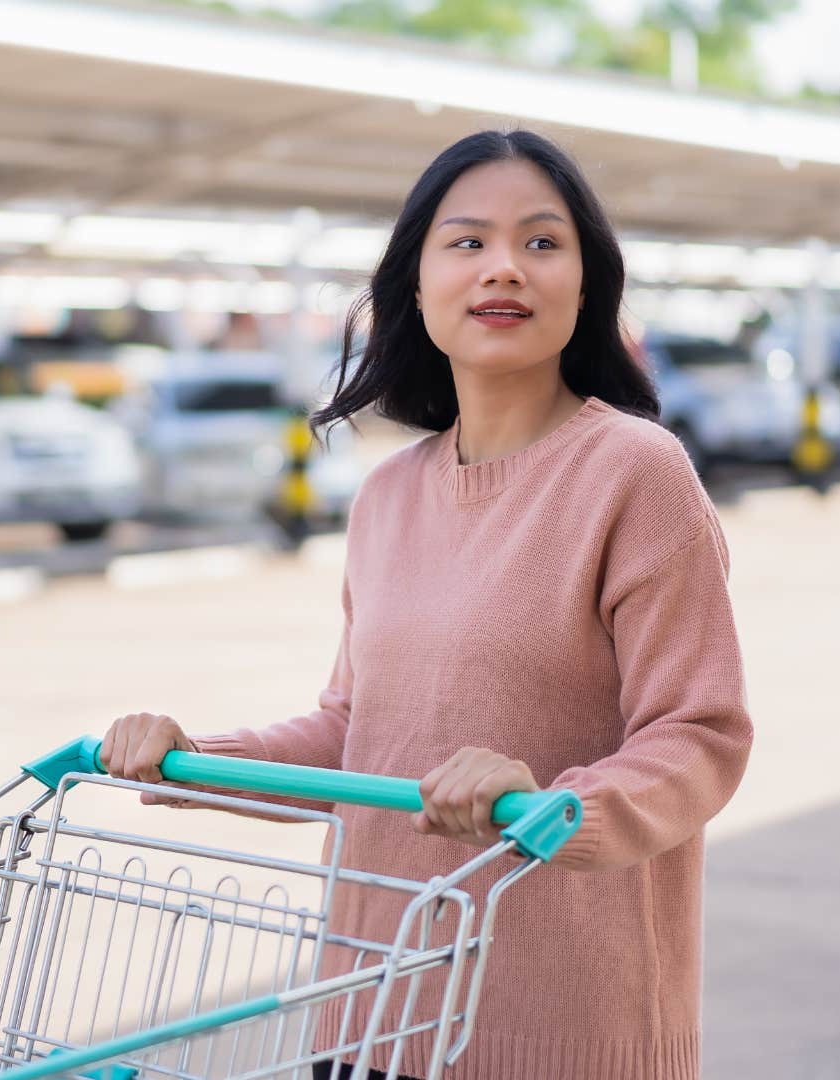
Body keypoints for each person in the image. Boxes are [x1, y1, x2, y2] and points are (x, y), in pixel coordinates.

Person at [101, 129, 753, 1080]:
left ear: (585, 286)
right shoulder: (388, 495)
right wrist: (188, 759)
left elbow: (701, 735)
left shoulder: (635, 475)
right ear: (415, 285)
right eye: (467, 242)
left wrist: (550, 805)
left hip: (564, 1037)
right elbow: (353, 732)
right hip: (368, 1019)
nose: (504, 269)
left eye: (541, 243)